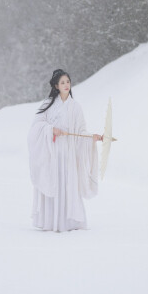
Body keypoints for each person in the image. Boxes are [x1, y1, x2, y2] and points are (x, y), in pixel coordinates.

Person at [27, 69, 103, 233]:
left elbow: (81, 131)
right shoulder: (47, 105)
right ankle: (49, 221)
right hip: (51, 154)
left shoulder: (75, 107)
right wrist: (50, 130)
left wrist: (92, 137)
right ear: (56, 86)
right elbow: (35, 128)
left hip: (67, 154)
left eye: (68, 82)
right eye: (62, 83)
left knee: (67, 184)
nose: (66, 85)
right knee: (53, 182)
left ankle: (68, 222)